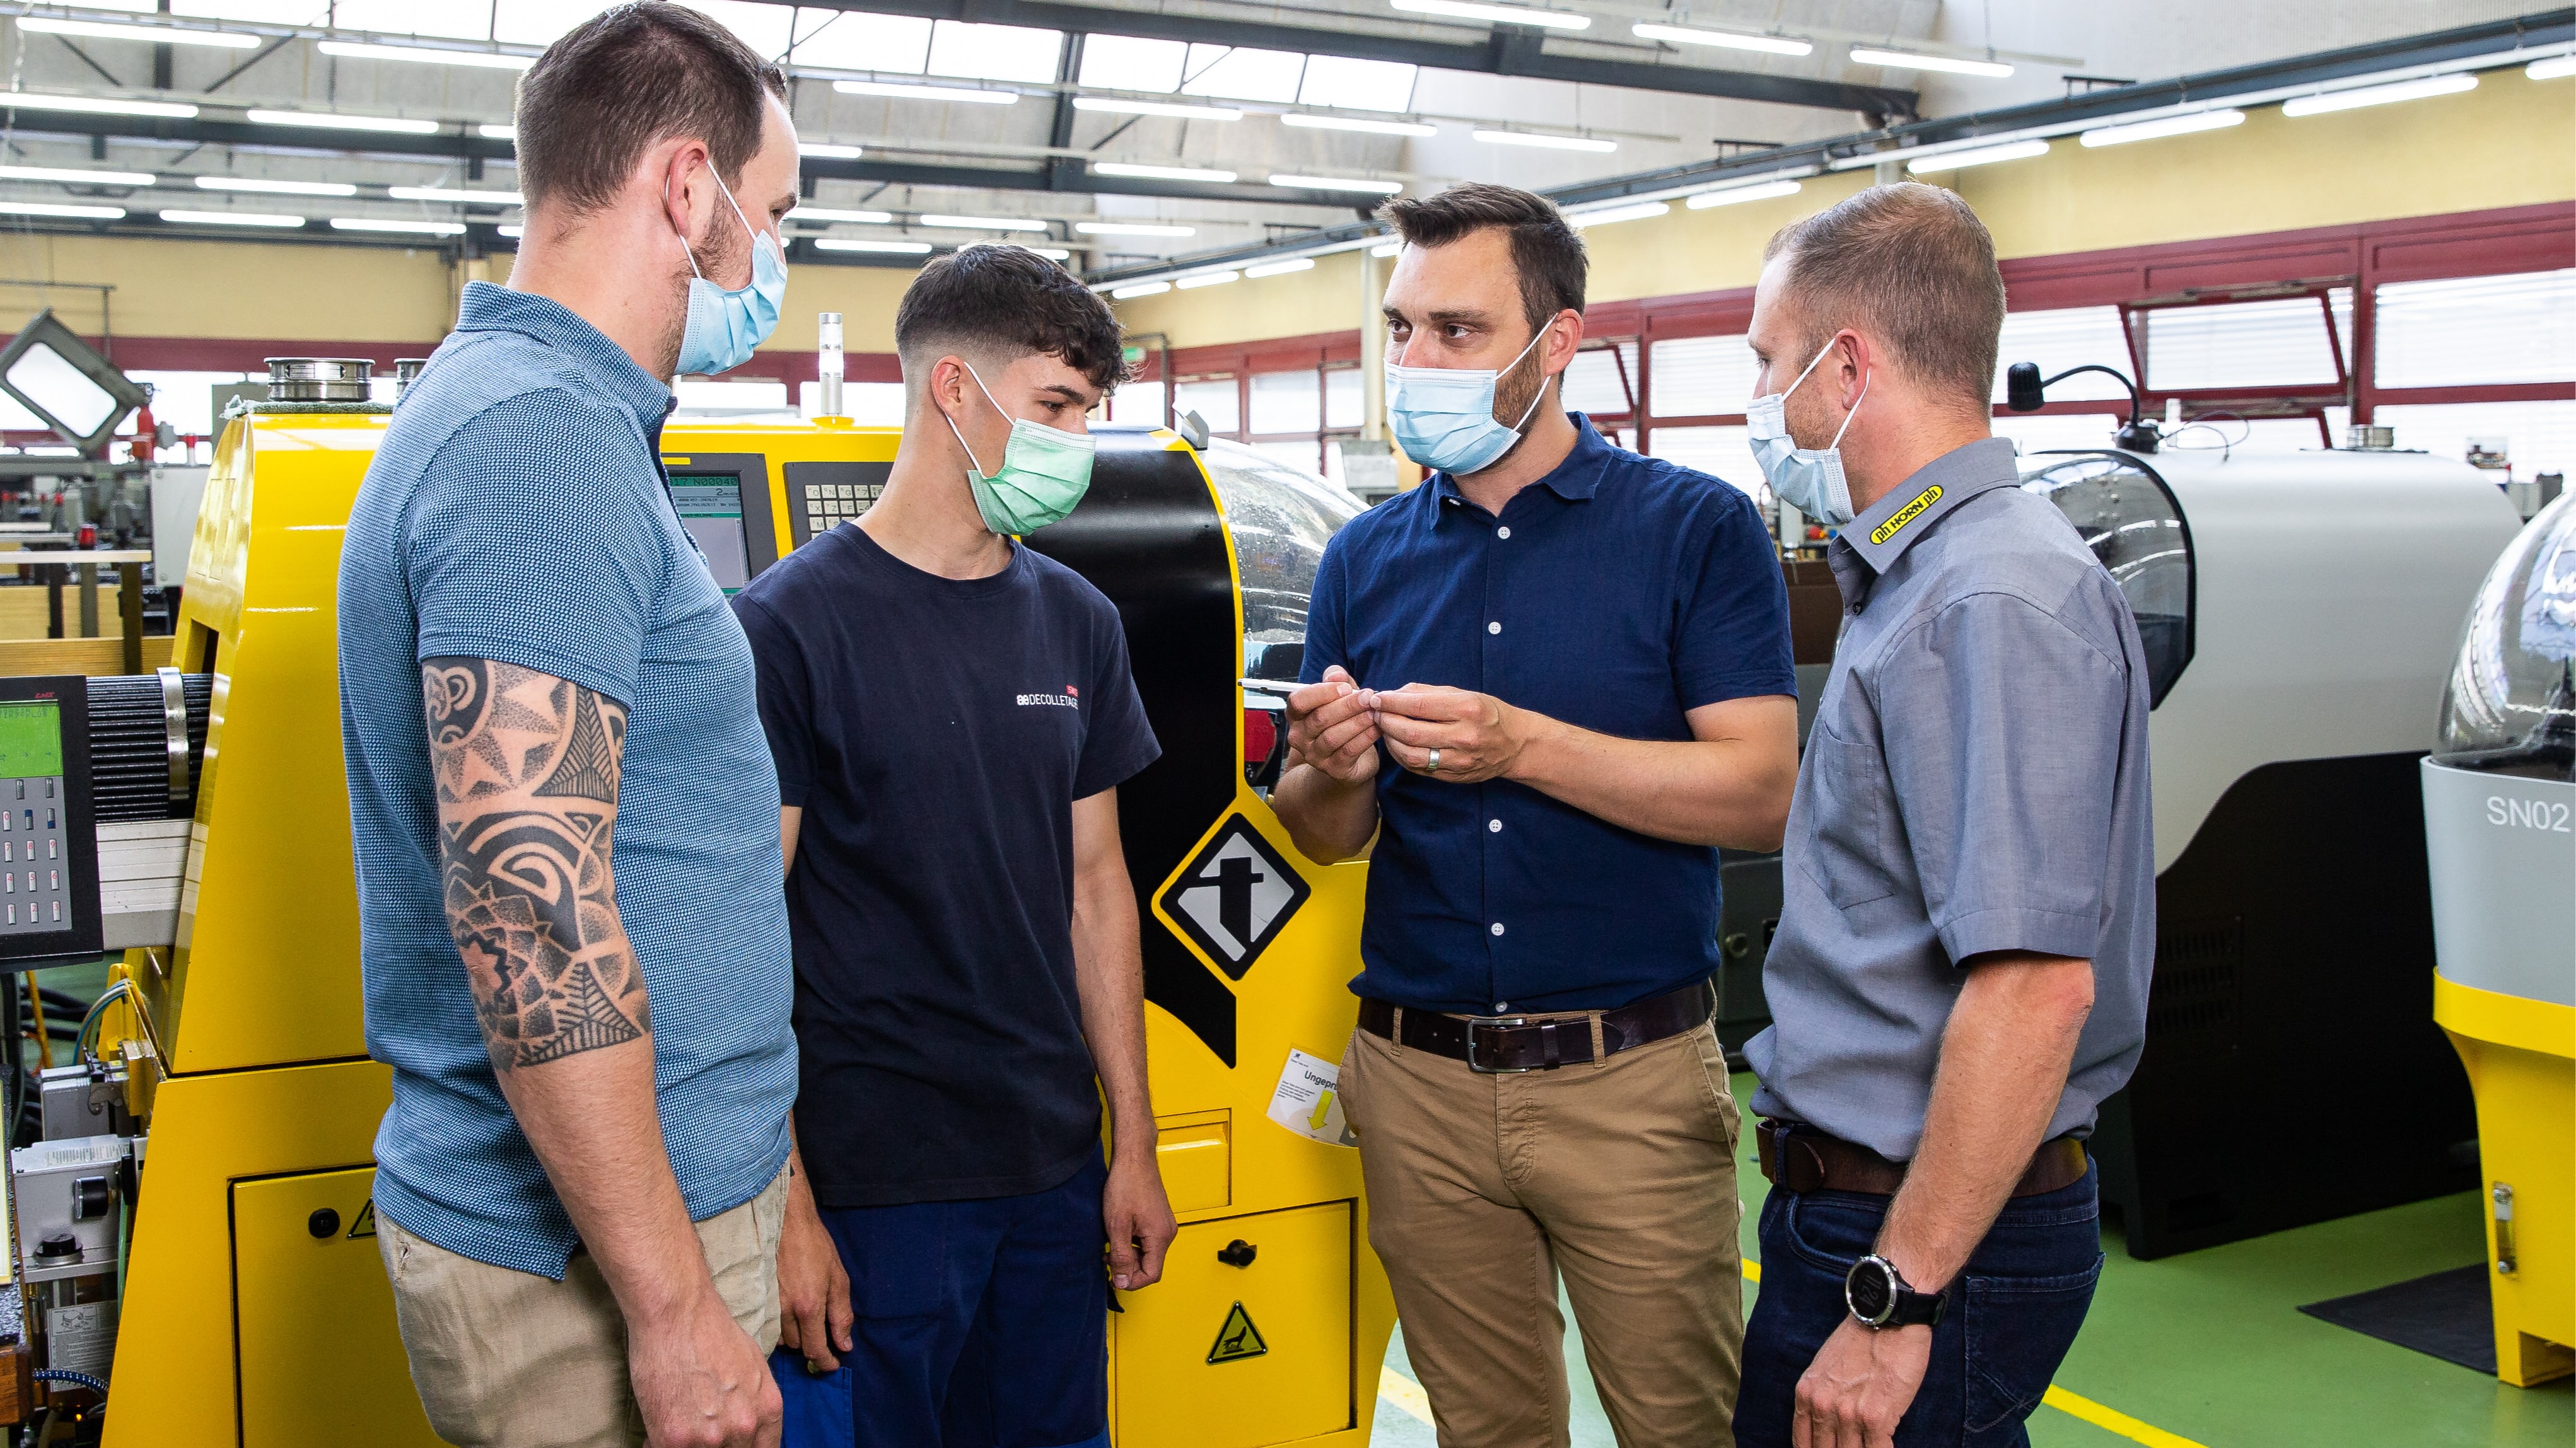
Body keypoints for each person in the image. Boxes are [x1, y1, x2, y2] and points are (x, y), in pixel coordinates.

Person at [335, 7, 805, 1445]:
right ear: (685, 187)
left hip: (634, 1222)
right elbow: (532, 922)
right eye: (770, 214)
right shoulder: (536, 443)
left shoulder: (547, 417)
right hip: (591, 1275)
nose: (770, 259)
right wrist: (672, 1311)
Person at [1270, 182, 1800, 1447]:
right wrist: (1333, 768)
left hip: (1626, 1082)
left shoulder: (1694, 531)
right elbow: (1329, 833)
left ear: (1555, 343)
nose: (1416, 362)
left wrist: (1524, 746)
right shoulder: (1365, 558)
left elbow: (1756, 787)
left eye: (1456, 332)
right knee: (1487, 1429)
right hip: (1417, 1084)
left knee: (1685, 1423)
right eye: (1400, 330)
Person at [1728, 183, 2156, 1448]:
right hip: (1879, 1213)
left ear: (1845, 363)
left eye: (1767, 361)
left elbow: (2034, 988)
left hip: (1909, 1236)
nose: (1761, 399)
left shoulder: (1991, 596)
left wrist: (1892, 1296)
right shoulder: (1923, 580)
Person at [730, 243, 1174, 1448]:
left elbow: (1097, 892)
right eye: (1056, 407)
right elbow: (739, 935)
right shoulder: (787, 628)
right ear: (954, 394)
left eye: (1089, 411)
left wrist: (1128, 1144)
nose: (1077, 442)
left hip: (1048, 1171)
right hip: (873, 1182)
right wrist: (784, 1204)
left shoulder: (1077, 619)